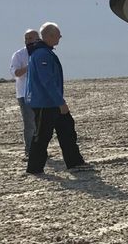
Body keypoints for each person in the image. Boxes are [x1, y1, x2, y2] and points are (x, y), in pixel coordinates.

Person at [25, 22, 87, 174]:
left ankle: (74, 162)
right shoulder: (41, 54)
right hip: (45, 104)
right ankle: (34, 168)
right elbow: (47, 81)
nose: (60, 37)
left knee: (67, 129)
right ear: (49, 36)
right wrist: (60, 102)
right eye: (58, 34)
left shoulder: (44, 52)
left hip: (52, 102)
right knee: (42, 135)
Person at [10, 28, 40, 157]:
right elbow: (15, 73)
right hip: (24, 93)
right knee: (29, 123)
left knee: (40, 123)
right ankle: (30, 150)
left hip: (40, 93)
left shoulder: (42, 53)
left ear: (37, 39)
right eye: (26, 39)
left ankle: (40, 148)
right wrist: (29, 66)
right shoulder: (19, 55)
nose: (28, 41)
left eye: (30, 38)